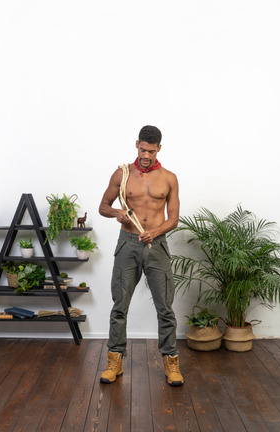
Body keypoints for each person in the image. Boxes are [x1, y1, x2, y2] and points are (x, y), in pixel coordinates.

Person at [99, 125, 184, 386]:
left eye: (151, 150)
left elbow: (174, 218)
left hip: (156, 246)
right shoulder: (122, 173)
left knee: (165, 308)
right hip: (128, 243)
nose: (145, 154)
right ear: (136, 144)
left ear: (159, 148)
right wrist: (117, 214)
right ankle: (115, 360)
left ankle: (171, 362)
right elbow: (103, 206)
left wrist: (155, 231)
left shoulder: (169, 178)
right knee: (120, 305)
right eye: (142, 149)